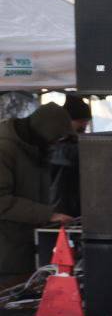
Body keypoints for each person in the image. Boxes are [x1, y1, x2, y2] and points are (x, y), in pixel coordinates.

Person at [0, 103, 73, 287]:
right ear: (42, 133)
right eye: (54, 139)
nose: (55, 144)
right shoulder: (5, 148)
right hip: (8, 258)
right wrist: (47, 214)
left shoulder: (34, 147)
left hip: (26, 250)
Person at [49, 94, 91, 219]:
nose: (84, 124)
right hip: (59, 210)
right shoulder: (54, 141)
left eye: (86, 121)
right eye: (81, 121)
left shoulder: (73, 141)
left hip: (75, 207)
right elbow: (68, 157)